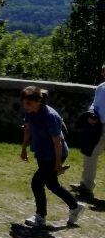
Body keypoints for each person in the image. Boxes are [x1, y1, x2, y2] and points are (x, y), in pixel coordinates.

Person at [20, 86, 85, 227]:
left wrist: (58, 164)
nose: (26, 106)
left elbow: (57, 142)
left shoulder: (50, 116)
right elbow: (28, 130)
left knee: (36, 183)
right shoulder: (30, 112)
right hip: (42, 153)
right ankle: (75, 206)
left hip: (55, 154)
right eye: (24, 103)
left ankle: (40, 217)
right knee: (52, 184)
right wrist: (24, 149)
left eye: (29, 103)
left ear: (38, 101)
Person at [77, 63, 105, 198]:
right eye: (103, 72)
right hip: (98, 126)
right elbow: (94, 104)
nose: (103, 74)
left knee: (92, 152)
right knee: (90, 152)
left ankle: (86, 185)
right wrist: (91, 114)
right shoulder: (101, 87)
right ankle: (86, 184)